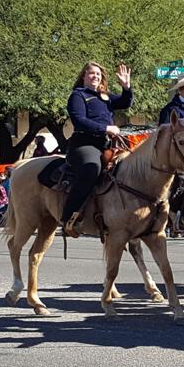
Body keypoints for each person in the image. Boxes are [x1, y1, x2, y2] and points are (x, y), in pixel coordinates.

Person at [61, 61, 133, 238]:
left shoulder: (105, 96)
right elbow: (79, 120)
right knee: (91, 168)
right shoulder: (78, 96)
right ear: (84, 76)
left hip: (107, 144)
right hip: (84, 144)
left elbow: (125, 102)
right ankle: (69, 217)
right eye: (92, 73)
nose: (95, 76)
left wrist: (126, 87)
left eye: (98, 74)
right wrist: (106, 129)